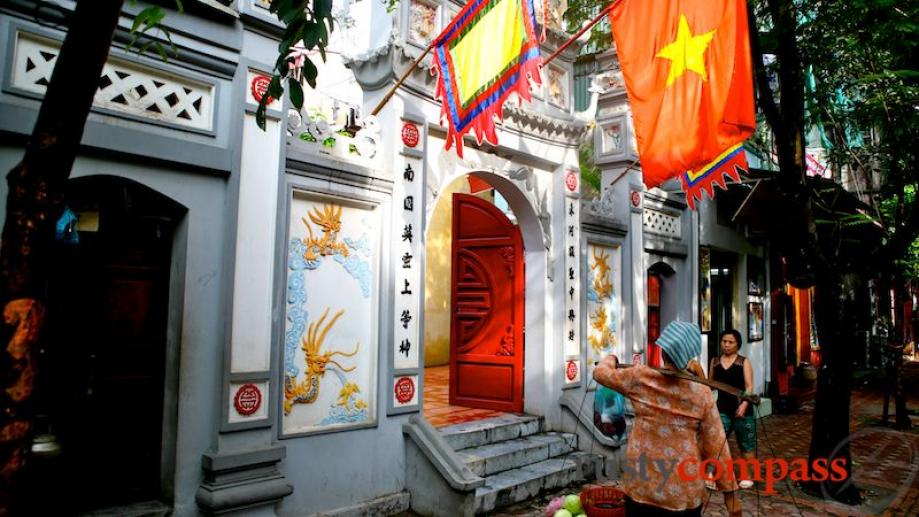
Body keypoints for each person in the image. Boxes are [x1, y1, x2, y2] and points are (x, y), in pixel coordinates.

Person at [594, 321, 742, 517]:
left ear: (663, 352)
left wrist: (611, 358)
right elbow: (716, 445)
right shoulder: (701, 392)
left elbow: (600, 373)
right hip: (683, 488)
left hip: (641, 483)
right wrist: (730, 496)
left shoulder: (641, 377)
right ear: (689, 357)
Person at [709, 329, 757, 489]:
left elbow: (749, 387)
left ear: (737, 344)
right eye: (724, 341)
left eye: (731, 342)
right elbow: (710, 385)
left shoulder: (744, 362)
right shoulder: (715, 362)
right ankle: (714, 475)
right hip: (722, 408)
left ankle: (747, 476)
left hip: (742, 410)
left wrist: (744, 405)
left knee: (746, 443)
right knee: (717, 443)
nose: (727, 345)